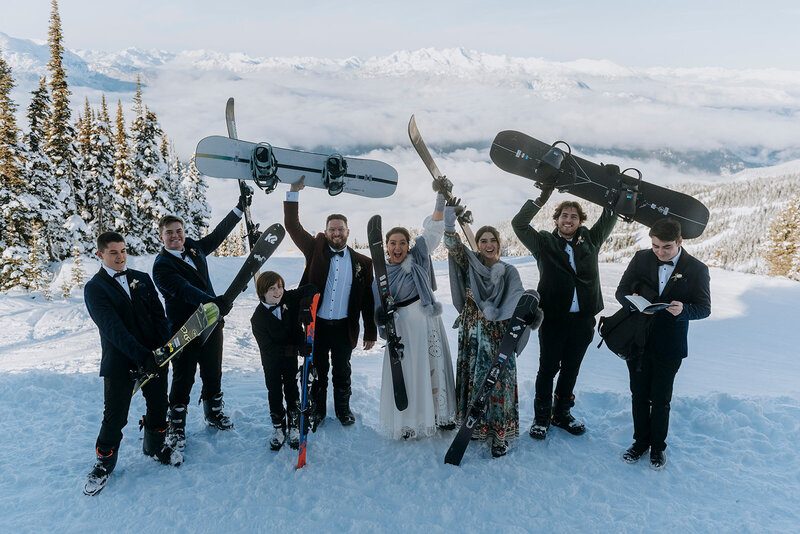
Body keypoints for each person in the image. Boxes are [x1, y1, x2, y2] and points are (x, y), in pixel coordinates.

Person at [512, 189, 616, 440]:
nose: (568, 220)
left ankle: (562, 414)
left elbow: (609, 216)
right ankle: (541, 417)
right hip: (553, 319)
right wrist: (540, 199)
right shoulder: (544, 243)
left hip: (582, 320)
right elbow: (519, 224)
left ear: (581, 221)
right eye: (564, 216)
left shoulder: (591, 240)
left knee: (571, 369)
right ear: (556, 219)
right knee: (548, 368)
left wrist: (613, 197)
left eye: (574, 217)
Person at [83, 232, 181, 496]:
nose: (120, 257)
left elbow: (160, 318)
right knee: (115, 416)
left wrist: (160, 351)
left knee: (159, 404)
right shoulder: (94, 288)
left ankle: (155, 446)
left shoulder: (142, 279)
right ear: (100, 255)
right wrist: (142, 356)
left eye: (123, 250)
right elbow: (113, 330)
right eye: (113, 252)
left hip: (154, 357)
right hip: (120, 361)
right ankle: (104, 463)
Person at [152, 193, 249, 450]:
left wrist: (238, 210)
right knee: (184, 376)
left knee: (212, 370)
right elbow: (184, 289)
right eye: (169, 233)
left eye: (179, 231)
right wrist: (212, 301)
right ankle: (177, 425)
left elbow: (216, 237)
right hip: (185, 328)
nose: (176, 236)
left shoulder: (193, 248)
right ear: (161, 237)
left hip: (211, 322)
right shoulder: (161, 266)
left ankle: (213, 412)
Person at [615, 218, 710, 470]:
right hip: (638, 340)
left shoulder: (697, 269)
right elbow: (620, 291)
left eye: (666, 247)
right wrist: (632, 302)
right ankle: (639, 443)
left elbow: (704, 308)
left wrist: (684, 310)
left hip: (669, 344)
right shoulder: (641, 258)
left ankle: (658, 447)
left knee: (660, 399)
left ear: (680, 242)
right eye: (655, 246)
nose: (659, 252)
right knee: (638, 395)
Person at [284, 177, 376, 427]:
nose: (336, 233)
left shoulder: (363, 263)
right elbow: (292, 225)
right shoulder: (314, 249)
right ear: (326, 232)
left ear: (348, 232)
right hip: (317, 326)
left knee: (342, 371)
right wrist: (293, 191)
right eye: (332, 229)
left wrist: (370, 330)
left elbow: (368, 299)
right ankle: (317, 410)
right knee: (318, 371)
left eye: (340, 229)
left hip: (344, 326)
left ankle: (343, 409)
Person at [373, 185, 457, 440]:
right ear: (386, 246)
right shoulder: (380, 273)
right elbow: (377, 305)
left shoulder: (419, 255)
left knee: (432, 367)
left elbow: (433, 231)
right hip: (402, 327)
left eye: (402, 243)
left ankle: (439, 416)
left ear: (408, 245)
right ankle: (409, 422)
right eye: (392, 243)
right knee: (408, 373)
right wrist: (383, 321)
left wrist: (440, 200)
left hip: (427, 322)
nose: (397, 247)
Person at [444, 205, 527, 457]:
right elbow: (452, 244)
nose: (488, 244)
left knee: (499, 382)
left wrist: (510, 319)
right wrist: (449, 216)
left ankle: (499, 436)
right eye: (483, 240)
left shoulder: (509, 271)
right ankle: (473, 429)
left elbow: (518, 301)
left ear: (499, 244)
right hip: (472, 332)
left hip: (499, 335)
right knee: (474, 380)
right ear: (477, 244)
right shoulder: (469, 264)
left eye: (493, 240)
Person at [251, 271, 317, 451]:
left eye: (279, 287)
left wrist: (304, 304)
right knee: (274, 391)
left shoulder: (288, 298)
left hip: (290, 359)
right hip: (272, 360)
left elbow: (311, 287)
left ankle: (293, 425)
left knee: (291, 388)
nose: (277, 292)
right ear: (262, 292)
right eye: (272, 288)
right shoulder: (257, 318)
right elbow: (268, 349)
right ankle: (278, 428)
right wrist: (296, 349)